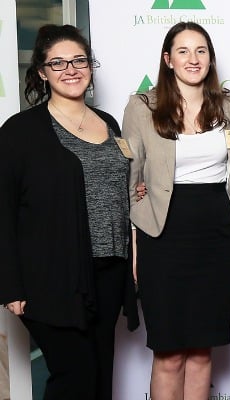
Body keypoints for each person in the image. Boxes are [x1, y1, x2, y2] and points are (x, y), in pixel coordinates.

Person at [0, 24, 138, 400]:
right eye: (58, 63)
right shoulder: (20, 132)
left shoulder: (108, 124)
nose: (71, 69)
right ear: (42, 72)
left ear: (90, 67)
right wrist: (10, 285)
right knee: (74, 374)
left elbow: (118, 184)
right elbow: (3, 212)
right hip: (51, 276)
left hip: (108, 271)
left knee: (99, 375)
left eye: (79, 60)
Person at [122, 22, 230, 400]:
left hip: (217, 233)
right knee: (170, 352)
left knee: (203, 350)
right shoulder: (142, 107)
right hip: (164, 233)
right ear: (167, 59)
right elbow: (132, 179)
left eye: (201, 50)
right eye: (183, 51)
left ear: (210, 58)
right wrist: (137, 249)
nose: (193, 59)